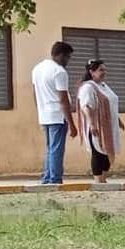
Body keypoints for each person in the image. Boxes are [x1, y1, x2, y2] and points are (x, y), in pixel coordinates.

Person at [32, 41, 77, 184]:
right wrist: (72, 123)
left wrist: (40, 111)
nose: (68, 61)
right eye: (68, 57)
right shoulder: (59, 71)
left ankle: (47, 177)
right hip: (57, 115)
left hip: (45, 114)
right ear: (60, 55)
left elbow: (35, 93)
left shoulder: (37, 68)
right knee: (56, 149)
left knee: (50, 148)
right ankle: (55, 178)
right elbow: (63, 99)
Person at [76, 59, 123, 185]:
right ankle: (98, 180)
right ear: (92, 72)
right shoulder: (88, 87)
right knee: (98, 152)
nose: (104, 72)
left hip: (109, 126)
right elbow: (85, 106)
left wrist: (118, 120)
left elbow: (111, 104)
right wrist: (92, 124)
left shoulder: (103, 86)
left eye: (105, 70)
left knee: (106, 153)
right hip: (97, 126)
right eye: (101, 70)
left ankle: (103, 178)